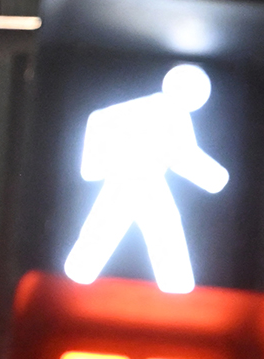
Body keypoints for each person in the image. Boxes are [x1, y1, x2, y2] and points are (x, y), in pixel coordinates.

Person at [63, 63, 229, 294]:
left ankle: (80, 271)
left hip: (130, 180)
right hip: (139, 180)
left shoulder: (154, 106)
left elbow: (99, 119)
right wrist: (215, 178)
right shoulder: (170, 112)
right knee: (158, 227)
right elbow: (182, 156)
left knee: (116, 226)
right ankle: (174, 285)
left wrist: (93, 167)